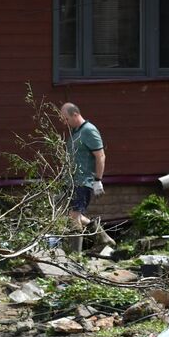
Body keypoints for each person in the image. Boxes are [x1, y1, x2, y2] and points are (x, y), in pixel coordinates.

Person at [59, 102, 111, 243]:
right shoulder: (75, 133)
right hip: (71, 181)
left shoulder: (89, 130)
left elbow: (100, 156)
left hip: (82, 181)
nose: (65, 123)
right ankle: (104, 239)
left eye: (66, 119)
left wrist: (98, 180)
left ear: (75, 114)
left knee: (74, 216)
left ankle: (76, 255)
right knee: (76, 215)